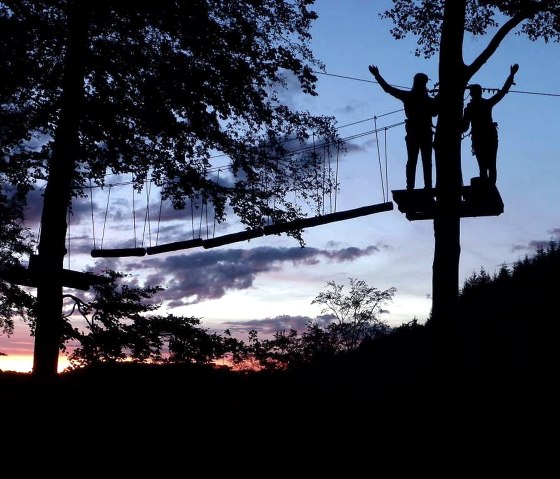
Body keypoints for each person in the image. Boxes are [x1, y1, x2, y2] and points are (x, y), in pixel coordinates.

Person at [369, 65, 438, 190]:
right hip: (420, 133)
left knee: (419, 161)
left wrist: (377, 75)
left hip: (418, 132)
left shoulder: (414, 97)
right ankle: (418, 186)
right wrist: (377, 76)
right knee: (420, 161)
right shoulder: (420, 99)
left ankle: (418, 187)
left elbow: (388, 89)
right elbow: (388, 89)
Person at [462, 64, 519, 185]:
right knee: (488, 165)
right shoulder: (479, 106)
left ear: (472, 94)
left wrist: (511, 75)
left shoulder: (474, 107)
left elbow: (464, 127)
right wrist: (511, 75)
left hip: (484, 137)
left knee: (486, 165)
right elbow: (502, 92)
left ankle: (489, 187)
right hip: (485, 137)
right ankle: (488, 186)